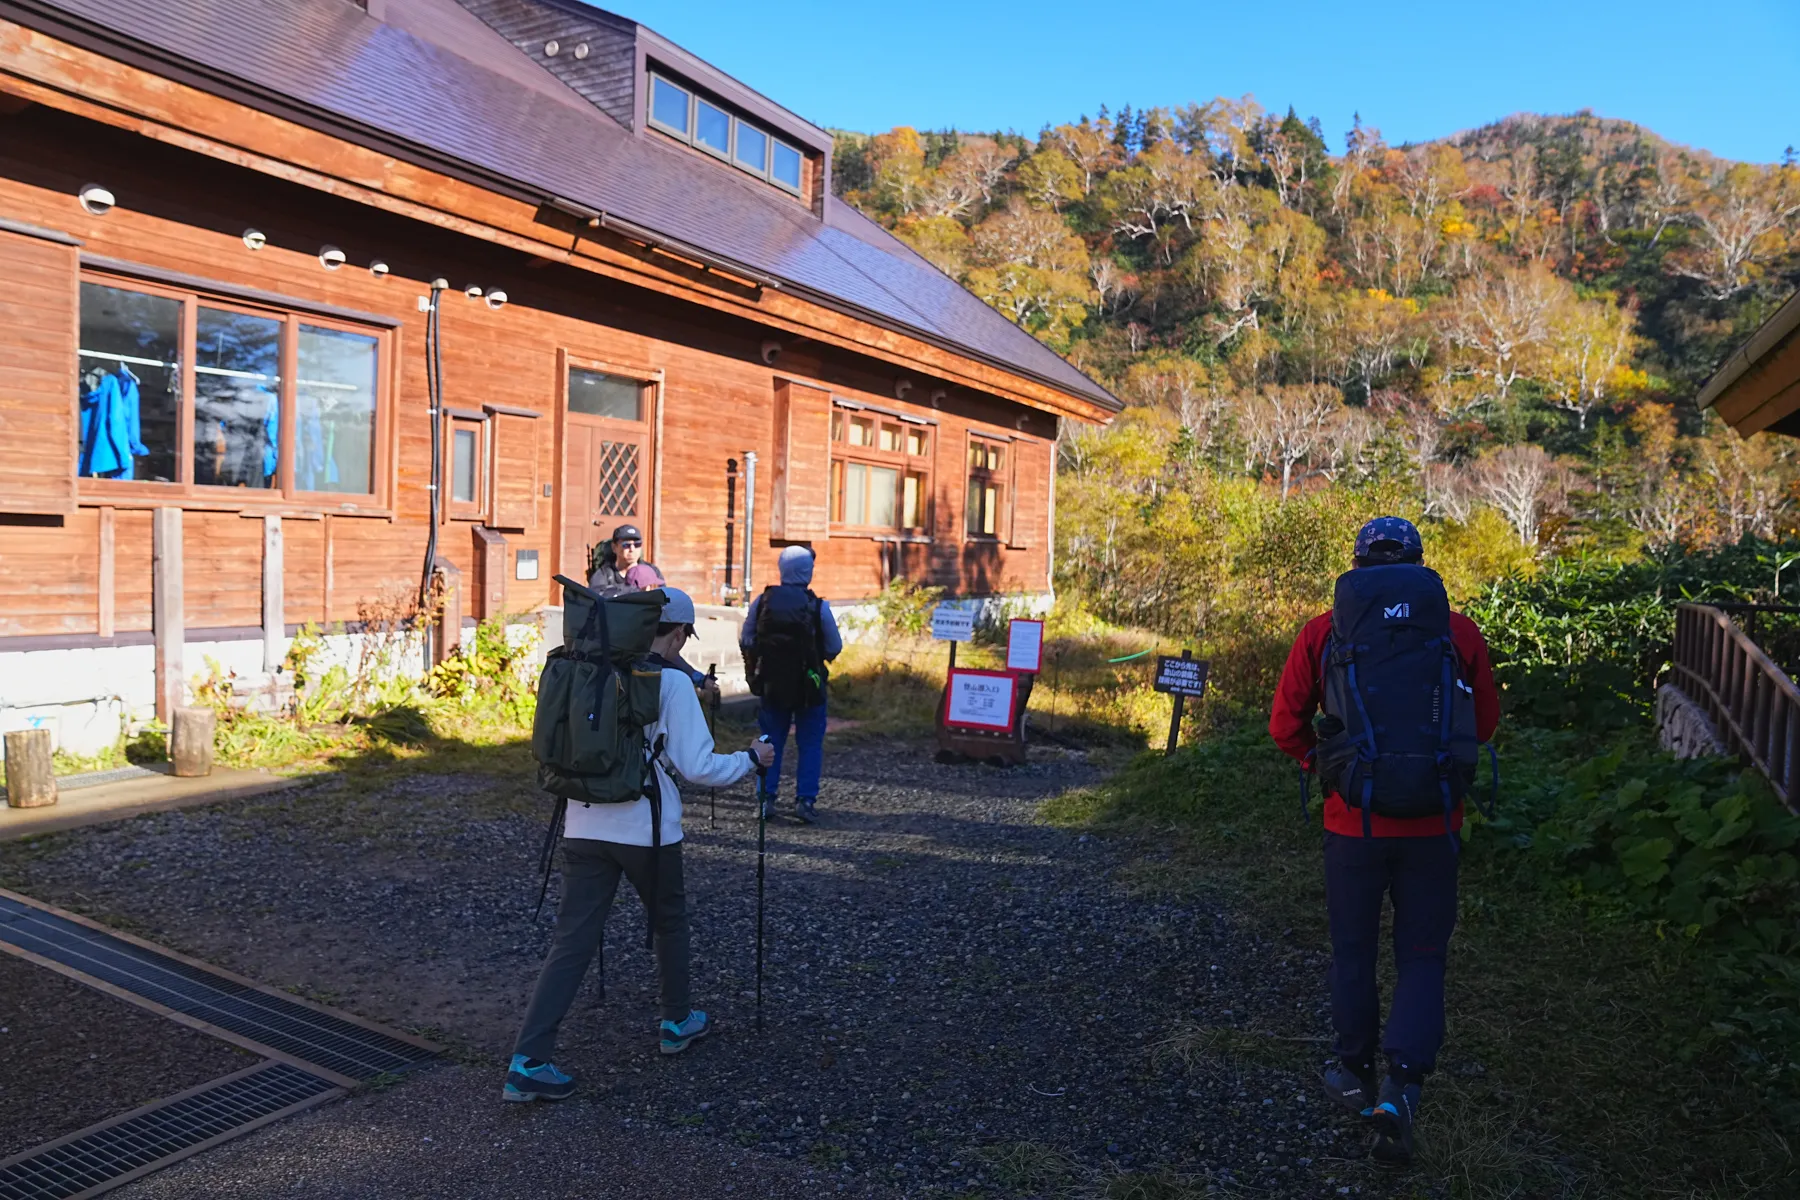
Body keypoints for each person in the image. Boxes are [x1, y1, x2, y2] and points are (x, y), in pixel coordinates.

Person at [1268, 516, 1499, 1167]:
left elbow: (1285, 724)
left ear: (1357, 564)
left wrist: (1333, 772)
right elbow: (1480, 725)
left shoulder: (1325, 630)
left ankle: (1350, 1071)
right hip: (1435, 825)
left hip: (1353, 825)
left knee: (1353, 950)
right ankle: (1402, 1085)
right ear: (1420, 565)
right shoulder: (1457, 632)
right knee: (1423, 954)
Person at [504, 587, 776, 1102]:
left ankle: (528, 1060)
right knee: (668, 921)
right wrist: (749, 760)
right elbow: (698, 767)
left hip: (582, 821)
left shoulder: (586, 667)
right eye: (683, 636)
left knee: (572, 942)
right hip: (647, 829)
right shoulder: (669, 681)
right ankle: (676, 1022)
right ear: (675, 633)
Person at [740, 546, 842, 825]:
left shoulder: (762, 601)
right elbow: (834, 647)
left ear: (781, 569)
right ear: (808, 572)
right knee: (810, 744)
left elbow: (746, 639)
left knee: (770, 741)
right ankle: (805, 800)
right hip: (810, 686)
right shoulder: (819, 606)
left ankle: (765, 799)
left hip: (773, 684)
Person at [588, 524, 666, 597]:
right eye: (626, 545)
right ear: (614, 547)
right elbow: (594, 597)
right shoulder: (604, 573)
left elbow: (664, 597)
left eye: (637, 544)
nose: (632, 549)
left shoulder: (652, 571)